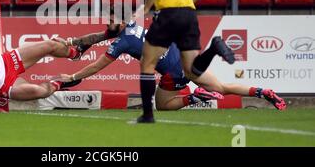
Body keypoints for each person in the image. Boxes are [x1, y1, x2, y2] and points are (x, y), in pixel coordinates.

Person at [58, 18, 286, 111]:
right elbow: (101, 34)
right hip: (183, 54)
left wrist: (73, 77)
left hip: (173, 72)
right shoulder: (131, 26)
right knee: (224, 87)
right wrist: (80, 44)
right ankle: (262, 91)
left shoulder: (120, 44)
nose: (107, 28)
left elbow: (96, 66)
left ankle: (196, 96)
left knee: (163, 105)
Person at [131, 0, 237, 122]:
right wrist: (185, 4)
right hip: (189, 14)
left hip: (167, 14)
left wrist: (147, 7)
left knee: (147, 63)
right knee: (190, 70)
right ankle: (213, 48)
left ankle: (147, 115)